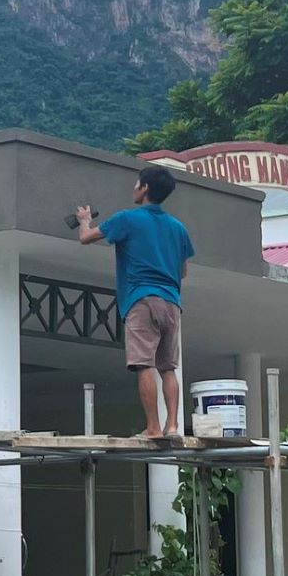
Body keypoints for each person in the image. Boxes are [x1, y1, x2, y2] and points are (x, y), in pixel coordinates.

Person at [76, 167, 195, 439]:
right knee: (168, 367)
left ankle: (153, 428)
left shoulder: (127, 219)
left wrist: (84, 219)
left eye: (136, 184)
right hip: (172, 303)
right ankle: (172, 427)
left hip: (142, 299)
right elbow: (183, 271)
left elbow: (86, 237)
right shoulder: (178, 228)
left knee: (144, 364)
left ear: (144, 188)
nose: (133, 188)